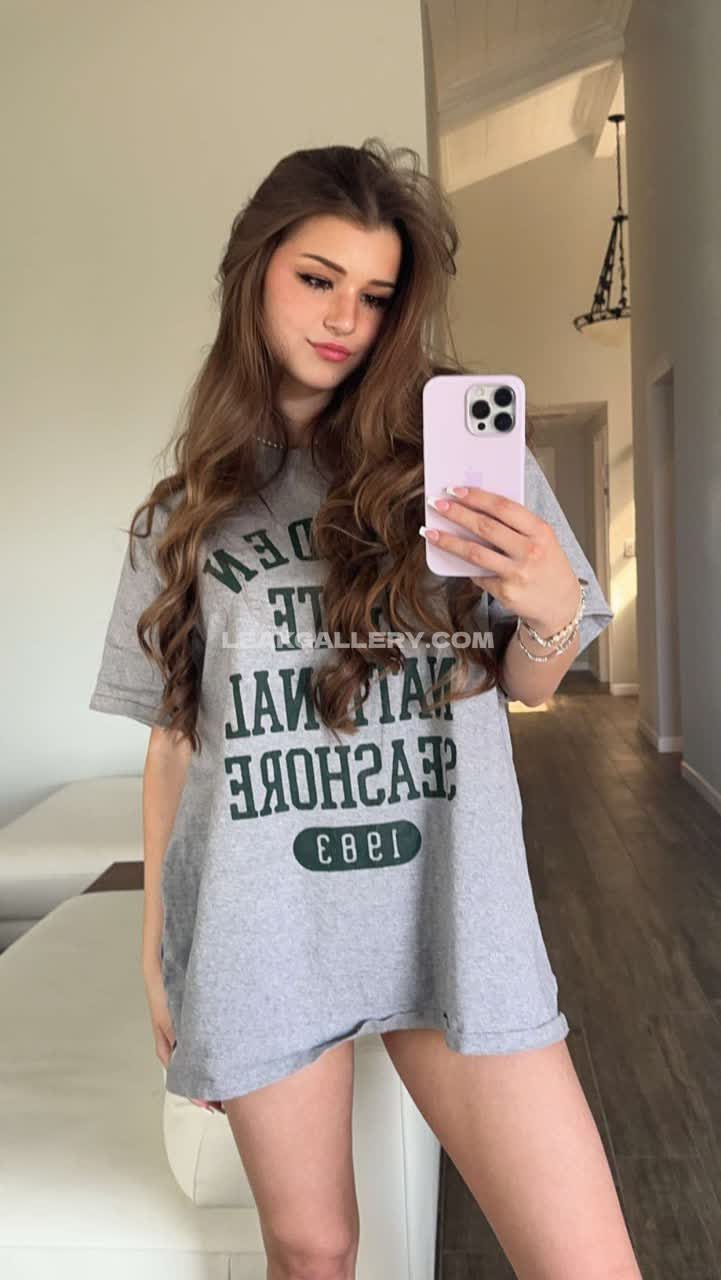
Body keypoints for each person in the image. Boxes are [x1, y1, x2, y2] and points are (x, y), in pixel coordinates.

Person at [89, 139, 642, 1280]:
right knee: (313, 1249)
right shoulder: (181, 518)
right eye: (318, 278)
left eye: (378, 294)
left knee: (585, 1261)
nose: (347, 317)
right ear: (254, 270)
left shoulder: (459, 472)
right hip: (261, 927)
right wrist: (159, 948)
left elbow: (527, 685)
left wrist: (548, 609)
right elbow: (178, 739)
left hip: (454, 909)